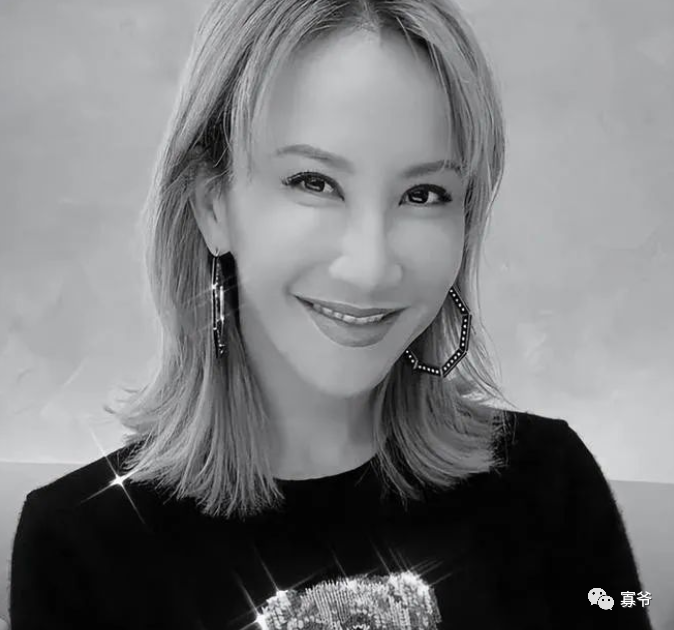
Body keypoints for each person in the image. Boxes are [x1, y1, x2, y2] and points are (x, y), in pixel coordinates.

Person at [9, 0, 652, 628]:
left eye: (424, 194)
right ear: (212, 205)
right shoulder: (78, 546)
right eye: (314, 183)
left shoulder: (551, 485)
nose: (370, 268)